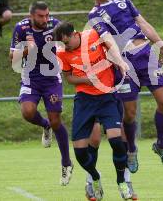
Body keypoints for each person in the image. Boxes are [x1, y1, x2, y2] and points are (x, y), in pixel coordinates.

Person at [85, 0, 163, 173]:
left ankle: (161, 146)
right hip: (124, 62)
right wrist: (119, 61)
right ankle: (132, 150)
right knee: (130, 114)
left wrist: (160, 44)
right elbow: (107, 39)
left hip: (145, 56)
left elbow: (142, 23)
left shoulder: (123, 1)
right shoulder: (94, 15)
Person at [54, 21, 133, 200]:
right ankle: (95, 178)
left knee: (115, 139)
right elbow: (68, 78)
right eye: (61, 44)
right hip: (84, 101)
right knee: (80, 151)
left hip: (107, 96)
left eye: (66, 42)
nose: (64, 46)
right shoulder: (63, 53)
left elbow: (111, 46)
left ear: (75, 34)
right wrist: (86, 80)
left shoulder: (93, 35)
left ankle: (122, 181)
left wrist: (120, 63)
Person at [9, 1, 73, 186]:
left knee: (56, 120)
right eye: (40, 16)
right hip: (30, 77)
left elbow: (69, 44)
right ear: (31, 16)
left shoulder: (55, 25)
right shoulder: (21, 28)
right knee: (27, 112)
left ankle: (66, 164)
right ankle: (45, 126)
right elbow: (12, 58)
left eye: (47, 15)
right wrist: (28, 48)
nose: (45, 19)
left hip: (52, 78)